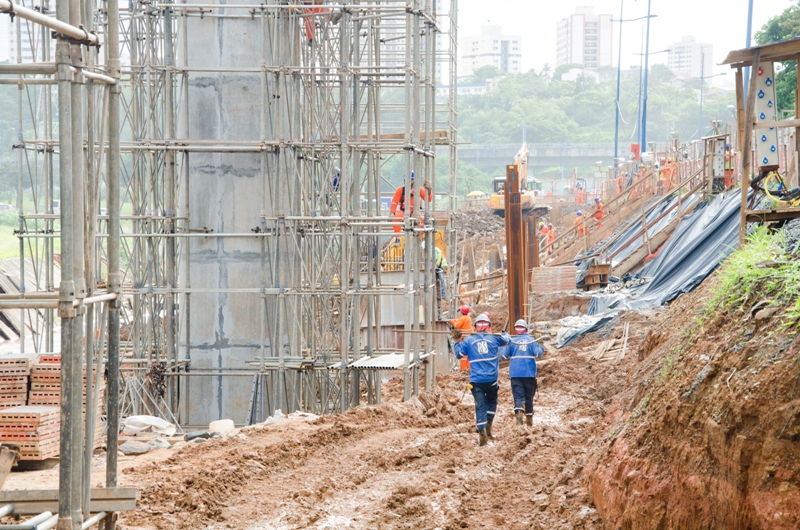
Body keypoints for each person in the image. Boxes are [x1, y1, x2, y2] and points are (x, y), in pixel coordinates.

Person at [452, 314, 511, 446]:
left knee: (480, 406)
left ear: (475, 327)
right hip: (491, 380)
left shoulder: (468, 340)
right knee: (492, 402)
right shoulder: (494, 339)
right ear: (489, 327)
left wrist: (456, 341)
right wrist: (504, 333)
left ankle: (482, 433)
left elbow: (458, 354)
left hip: (476, 381)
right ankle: (488, 429)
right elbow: (507, 340)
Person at [501, 319, 544, 427]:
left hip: (515, 374)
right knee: (529, 399)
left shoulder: (512, 341)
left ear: (515, 329)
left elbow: (502, 356)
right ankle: (529, 424)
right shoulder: (531, 341)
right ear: (526, 329)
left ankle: (519, 421)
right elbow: (538, 354)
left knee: (518, 397)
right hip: (529, 374)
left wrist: (504, 342)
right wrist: (541, 344)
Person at [389, 171, 433, 236]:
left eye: (411, 179)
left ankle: (418, 239)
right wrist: (392, 212)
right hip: (403, 210)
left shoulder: (419, 190)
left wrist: (429, 192)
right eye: (407, 179)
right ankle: (397, 238)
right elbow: (394, 202)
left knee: (419, 222)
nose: (409, 181)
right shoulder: (400, 190)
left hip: (415, 211)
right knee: (396, 219)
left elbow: (428, 199)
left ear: (414, 180)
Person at [449, 305, 474, 372]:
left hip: (463, 338)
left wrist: (451, 321)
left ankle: (463, 370)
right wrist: (454, 320)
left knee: (463, 355)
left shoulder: (463, 318)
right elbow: (459, 320)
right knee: (468, 354)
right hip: (469, 337)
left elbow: (457, 325)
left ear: (462, 312)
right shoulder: (468, 317)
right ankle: (468, 369)